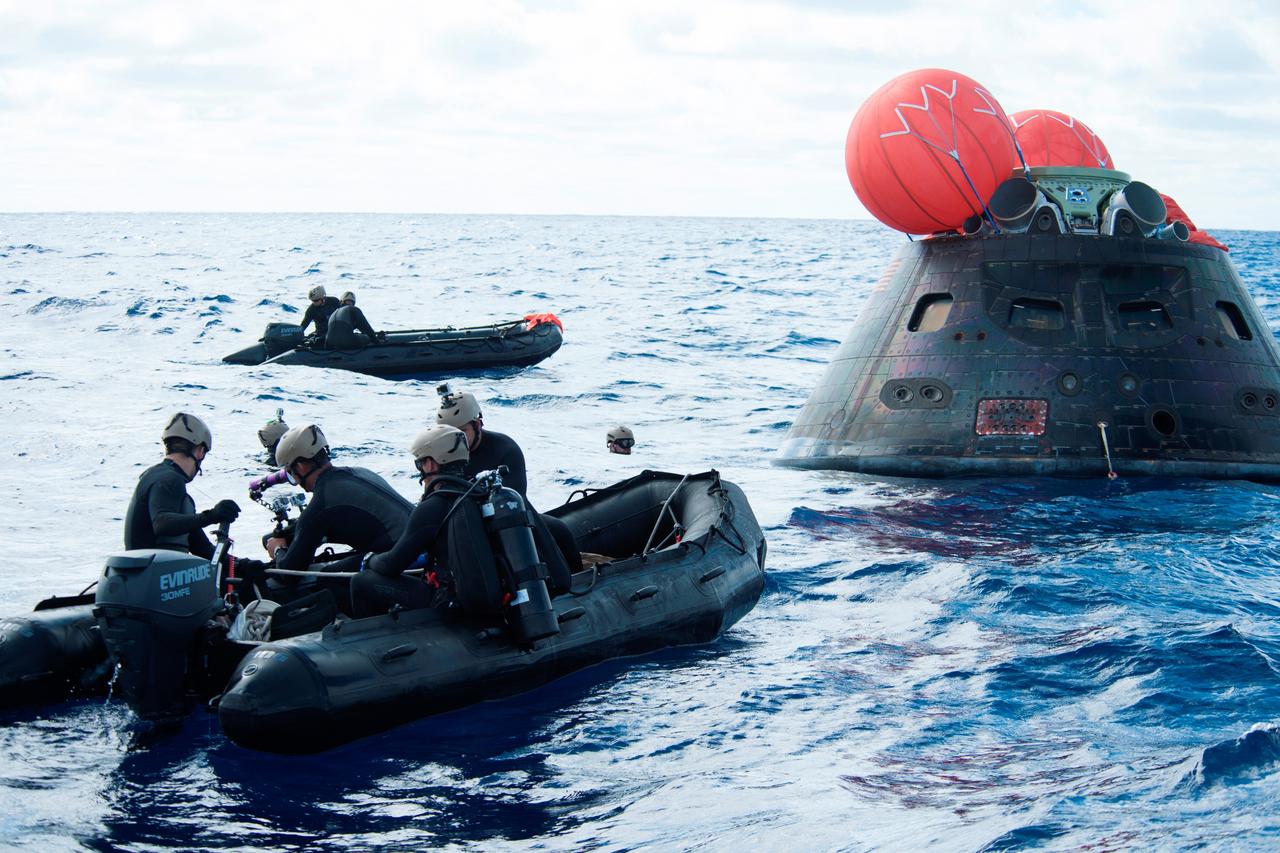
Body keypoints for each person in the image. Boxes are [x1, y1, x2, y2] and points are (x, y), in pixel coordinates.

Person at [437, 387, 578, 588]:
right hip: (463, 527)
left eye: (462, 432)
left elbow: (516, 497)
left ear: (477, 424)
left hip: (506, 520)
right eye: (449, 435)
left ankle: (577, 579)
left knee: (558, 529)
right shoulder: (441, 457)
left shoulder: (504, 448)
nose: (455, 441)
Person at [351, 425, 471, 618]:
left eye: (420, 463)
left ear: (431, 464)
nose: (421, 469)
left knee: (361, 581)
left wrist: (370, 559)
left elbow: (391, 565)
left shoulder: (433, 506)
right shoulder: (476, 493)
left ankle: (372, 635)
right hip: (482, 599)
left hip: (449, 605)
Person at [265, 423, 413, 578]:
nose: (294, 479)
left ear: (300, 466)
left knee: (327, 577)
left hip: (400, 560)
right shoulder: (360, 472)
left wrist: (278, 550)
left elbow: (290, 573)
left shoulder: (322, 502)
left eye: (290, 473)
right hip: (420, 547)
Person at [124, 412, 241, 557]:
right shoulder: (170, 479)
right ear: (200, 451)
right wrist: (212, 516)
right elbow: (162, 524)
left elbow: (202, 549)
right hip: (154, 569)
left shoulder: (156, 477)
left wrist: (248, 565)